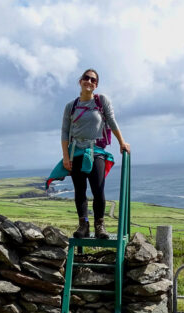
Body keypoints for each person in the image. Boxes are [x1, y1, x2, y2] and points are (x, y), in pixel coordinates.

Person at [48, 68, 131, 239]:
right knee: (80, 190)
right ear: (80, 81)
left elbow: (112, 121)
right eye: (86, 78)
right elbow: (65, 132)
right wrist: (65, 156)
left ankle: (99, 226)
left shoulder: (101, 101)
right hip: (76, 152)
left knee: (98, 189)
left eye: (93, 80)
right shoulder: (71, 106)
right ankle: (83, 224)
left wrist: (121, 142)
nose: (89, 82)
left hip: (97, 152)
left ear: (96, 85)